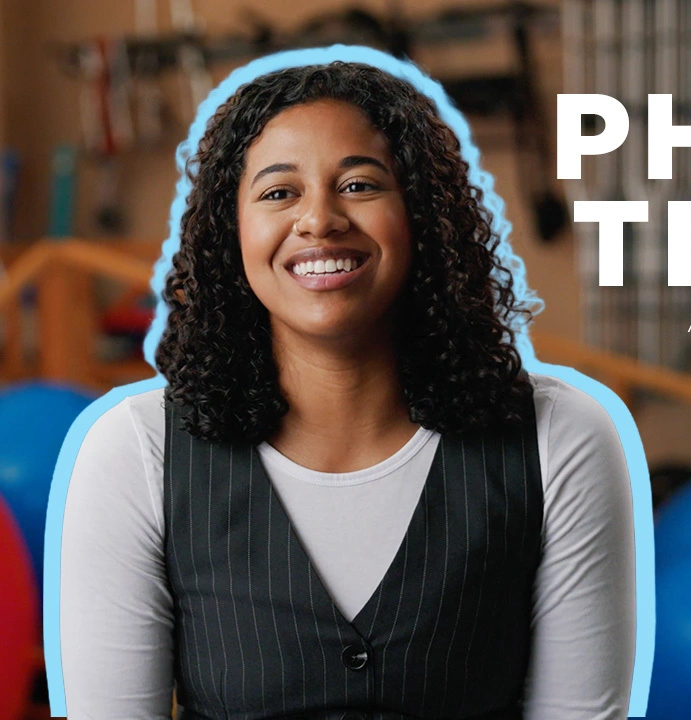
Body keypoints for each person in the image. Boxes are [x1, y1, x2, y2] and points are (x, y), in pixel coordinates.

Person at [58, 60, 637, 720]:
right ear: (231, 232)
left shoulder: (560, 439)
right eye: (278, 193)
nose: (319, 220)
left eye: (360, 184)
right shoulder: (136, 452)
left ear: (421, 216)